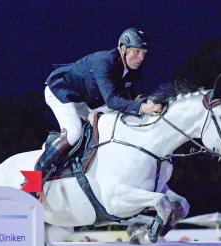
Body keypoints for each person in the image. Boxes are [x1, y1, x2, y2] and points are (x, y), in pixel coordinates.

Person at [35, 27, 163, 174]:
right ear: (122, 49)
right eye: (136, 52)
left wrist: (151, 104)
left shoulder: (133, 69)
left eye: (144, 53)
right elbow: (112, 101)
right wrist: (143, 108)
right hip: (61, 91)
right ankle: (33, 178)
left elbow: (135, 98)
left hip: (87, 99)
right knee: (74, 133)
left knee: (117, 120)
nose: (141, 58)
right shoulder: (104, 62)